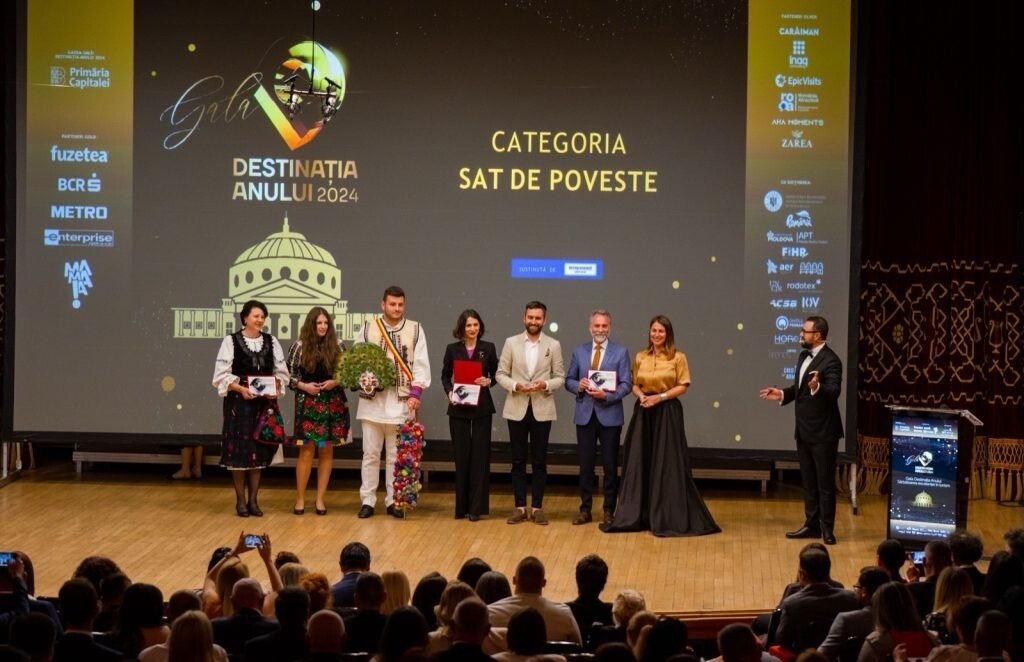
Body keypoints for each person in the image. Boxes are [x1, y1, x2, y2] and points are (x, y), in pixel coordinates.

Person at [601, 315, 719, 537]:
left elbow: (683, 385)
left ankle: (666, 515)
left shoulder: (678, 357)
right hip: (644, 410)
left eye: (661, 331)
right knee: (640, 459)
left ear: (668, 334)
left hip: (667, 412)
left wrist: (660, 397)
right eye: (654, 330)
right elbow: (633, 383)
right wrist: (641, 396)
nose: (656, 334)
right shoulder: (640, 356)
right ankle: (640, 513)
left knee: (668, 462)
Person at [759, 315, 844, 545]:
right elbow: (800, 389)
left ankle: (827, 529)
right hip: (804, 430)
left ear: (818, 335)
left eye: (805, 331)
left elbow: (834, 391)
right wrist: (782, 394)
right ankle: (811, 525)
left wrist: (818, 386)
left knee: (824, 483)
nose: (800, 334)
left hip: (824, 433)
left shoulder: (831, 361)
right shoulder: (802, 356)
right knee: (808, 482)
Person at [356, 286, 431, 519]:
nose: (397, 308)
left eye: (400, 305)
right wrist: (365, 379)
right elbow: (355, 360)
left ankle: (393, 501)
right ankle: (367, 501)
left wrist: (416, 393)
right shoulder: (368, 327)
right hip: (372, 402)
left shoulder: (415, 329)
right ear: (383, 304)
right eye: (392, 304)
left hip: (401, 403)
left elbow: (421, 364)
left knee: (395, 455)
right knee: (370, 453)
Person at [212, 299, 289, 517]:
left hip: (263, 405)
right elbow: (220, 376)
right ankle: (240, 502)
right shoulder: (231, 341)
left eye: (262, 317)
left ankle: (254, 501)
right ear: (245, 318)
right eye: (256, 316)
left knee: (258, 454)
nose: (260, 320)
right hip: (239, 404)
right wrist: (239, 388)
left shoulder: (271, 341)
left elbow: (281, 373)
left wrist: (275, 388)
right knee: (239, 454)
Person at [496, 301, 565, 525]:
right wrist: (516, 386)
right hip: (516, 407)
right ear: (524, 318)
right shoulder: (511, 342)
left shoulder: (553, 345)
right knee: (517, 460)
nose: (534, 321)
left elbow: (560, 377)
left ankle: (537, 508)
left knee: (540, 461)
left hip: (542, 409)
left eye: (538, 318)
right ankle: (519, 507)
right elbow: (500, 374)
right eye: (530, 317)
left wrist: (545, 384)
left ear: (544, 320)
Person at [565, 310, 632, 526]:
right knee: (585, 466)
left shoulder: (620, 352)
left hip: (610, 415)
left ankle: (609, 510)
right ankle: (585, 509)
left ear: (610, 328)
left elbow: (627, 384)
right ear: (590, 328)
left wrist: (608, 396)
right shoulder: (579, 351)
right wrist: (579, 385)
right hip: (585, 415)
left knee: (610, 466)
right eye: (597, 326)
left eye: (604, 326)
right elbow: (568, 380)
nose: (600, 330)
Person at [287, 306, 350, 516]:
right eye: (318, 323)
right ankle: (300, 499)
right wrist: (304, 386)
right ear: (311, 325)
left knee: (326, 450)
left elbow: (347, 373)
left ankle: (320, 499)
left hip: (332, 403)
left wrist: (335, 382)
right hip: (308, 403)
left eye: (325, 323)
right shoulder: (299, 346)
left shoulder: (338, 345)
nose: (322, 327)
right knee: (306, 451)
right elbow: (288, 376)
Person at [441, 309, 499, 522]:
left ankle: (476, 509)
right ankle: (461, 508)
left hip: (482, 408)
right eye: (468, 325)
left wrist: (489, 381)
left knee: (480, 459)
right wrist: (449, 391)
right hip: (458, 408)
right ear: (462, 328)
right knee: (461, 458)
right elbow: (445, 376)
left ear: (480, 327)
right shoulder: (452, 349)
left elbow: (497, 374)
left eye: (475, 325)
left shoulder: (488, 348)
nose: (472, 329)